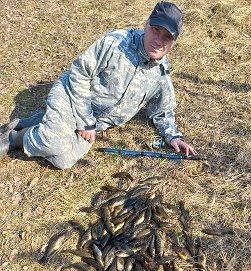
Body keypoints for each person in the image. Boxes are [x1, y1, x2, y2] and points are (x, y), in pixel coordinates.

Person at [0, 1, 197, 169]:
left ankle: (34, 123)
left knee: (63, 161)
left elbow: (163, 110)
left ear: (173, 42)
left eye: (167, 37)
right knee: (52, 142)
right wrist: (85, 121)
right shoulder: (116, 42)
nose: (158, 41)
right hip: (71, 97)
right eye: (155, 30)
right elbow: (79, 73)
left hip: (96, 123)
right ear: (146, 25)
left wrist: (173, 137)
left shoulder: (161, 72)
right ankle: (14, 139)